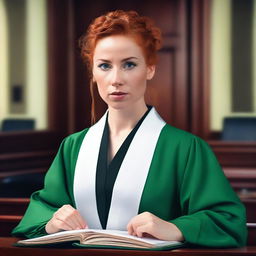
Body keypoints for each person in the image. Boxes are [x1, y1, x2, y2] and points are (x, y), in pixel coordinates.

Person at [12, 10, 247, 247]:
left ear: (150, 69)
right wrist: (54, 222)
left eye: (129, 64)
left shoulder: (185, 148)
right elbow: (42, 210)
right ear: (93, 72)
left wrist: (175, 228)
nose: (116, 79)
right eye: (104, 66)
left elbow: (226, 220)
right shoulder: (74, 146)